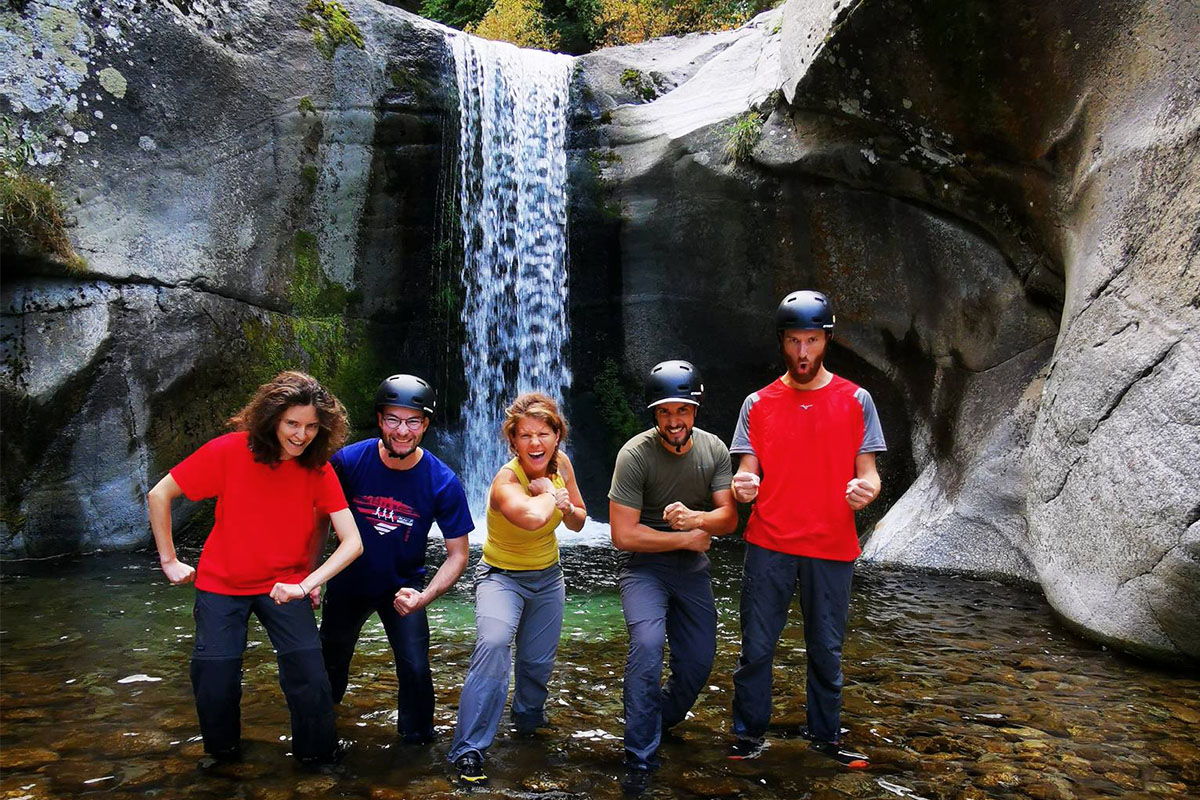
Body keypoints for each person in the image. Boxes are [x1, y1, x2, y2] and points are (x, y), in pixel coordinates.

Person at [147, 371, 363, 767]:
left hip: (284, 585)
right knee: (215, 679)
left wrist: (307, 584)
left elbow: (353, 542)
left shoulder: (318, 469)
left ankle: (318, 761)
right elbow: (160, 493)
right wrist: (169, 559)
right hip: (221, 584)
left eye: (312, 427)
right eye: (292, 424)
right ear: (272, 419)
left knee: (310, 678)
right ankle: (223, 758)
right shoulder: (229, 451)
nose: (301, 435)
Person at [726, 290, 886, 768]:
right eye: (794, 341)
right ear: (782, 342)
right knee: (755, 647)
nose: (802, 352)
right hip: (769, 543)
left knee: (826, 651)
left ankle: (826, 738)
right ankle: (748, 736)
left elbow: (869, 472)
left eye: (811, 340)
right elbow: (745, 474)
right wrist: (744, 486)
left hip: (832, 545)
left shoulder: (857, 400)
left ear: (826, 340)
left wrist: (868, 490)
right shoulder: (757, 403)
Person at [318, 374, 473, 744]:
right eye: (393, 419)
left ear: (426, 424)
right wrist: (311, 578)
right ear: (379, 419)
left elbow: (458, 555)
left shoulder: (442, 481)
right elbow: (319, 521)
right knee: (329, 663)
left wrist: (425, 597)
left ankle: (416, 752)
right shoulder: (348, 462)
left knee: (417, 669)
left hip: (404, 588)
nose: (402, 430)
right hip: (348, 583)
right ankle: (321, 734)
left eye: (413, 421)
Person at [609, 360, 737, 795]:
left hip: (692, 571)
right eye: (665, 412)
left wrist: (696, 520)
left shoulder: (715, 450)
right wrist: (683, 539)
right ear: (655, 414)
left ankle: (653, 720)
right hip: (643, 569)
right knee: (646, 645)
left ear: (695, 411)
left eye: (681, 410)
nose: (674, 420)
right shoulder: (635, 454)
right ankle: (639, 757)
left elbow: (727, 518)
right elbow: (623, 535)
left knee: (699, 662)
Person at [447, 392, 587, 785]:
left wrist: (565, 503)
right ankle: (469, 750)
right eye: (525, 435)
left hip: (548, 578)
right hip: (501, 577)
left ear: (557, 436)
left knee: (537, 662)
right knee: (492, 646)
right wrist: (548, 494)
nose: (535, 443)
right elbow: (529, 518)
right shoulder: (505, 481)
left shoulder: (564, 468)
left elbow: (578, 520)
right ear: (513, 442)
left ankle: (528, 725)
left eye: (544, 433)